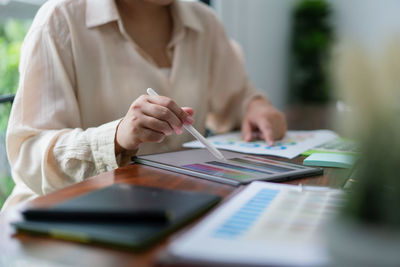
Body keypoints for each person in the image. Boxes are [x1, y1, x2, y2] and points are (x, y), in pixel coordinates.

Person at [3, 0, 287, 210]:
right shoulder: (60, 20)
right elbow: (29, 153)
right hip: (64, 221)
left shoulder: (205, 23)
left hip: (171, 210)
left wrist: (254, 105)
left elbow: (236, 97)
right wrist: (115, 138)